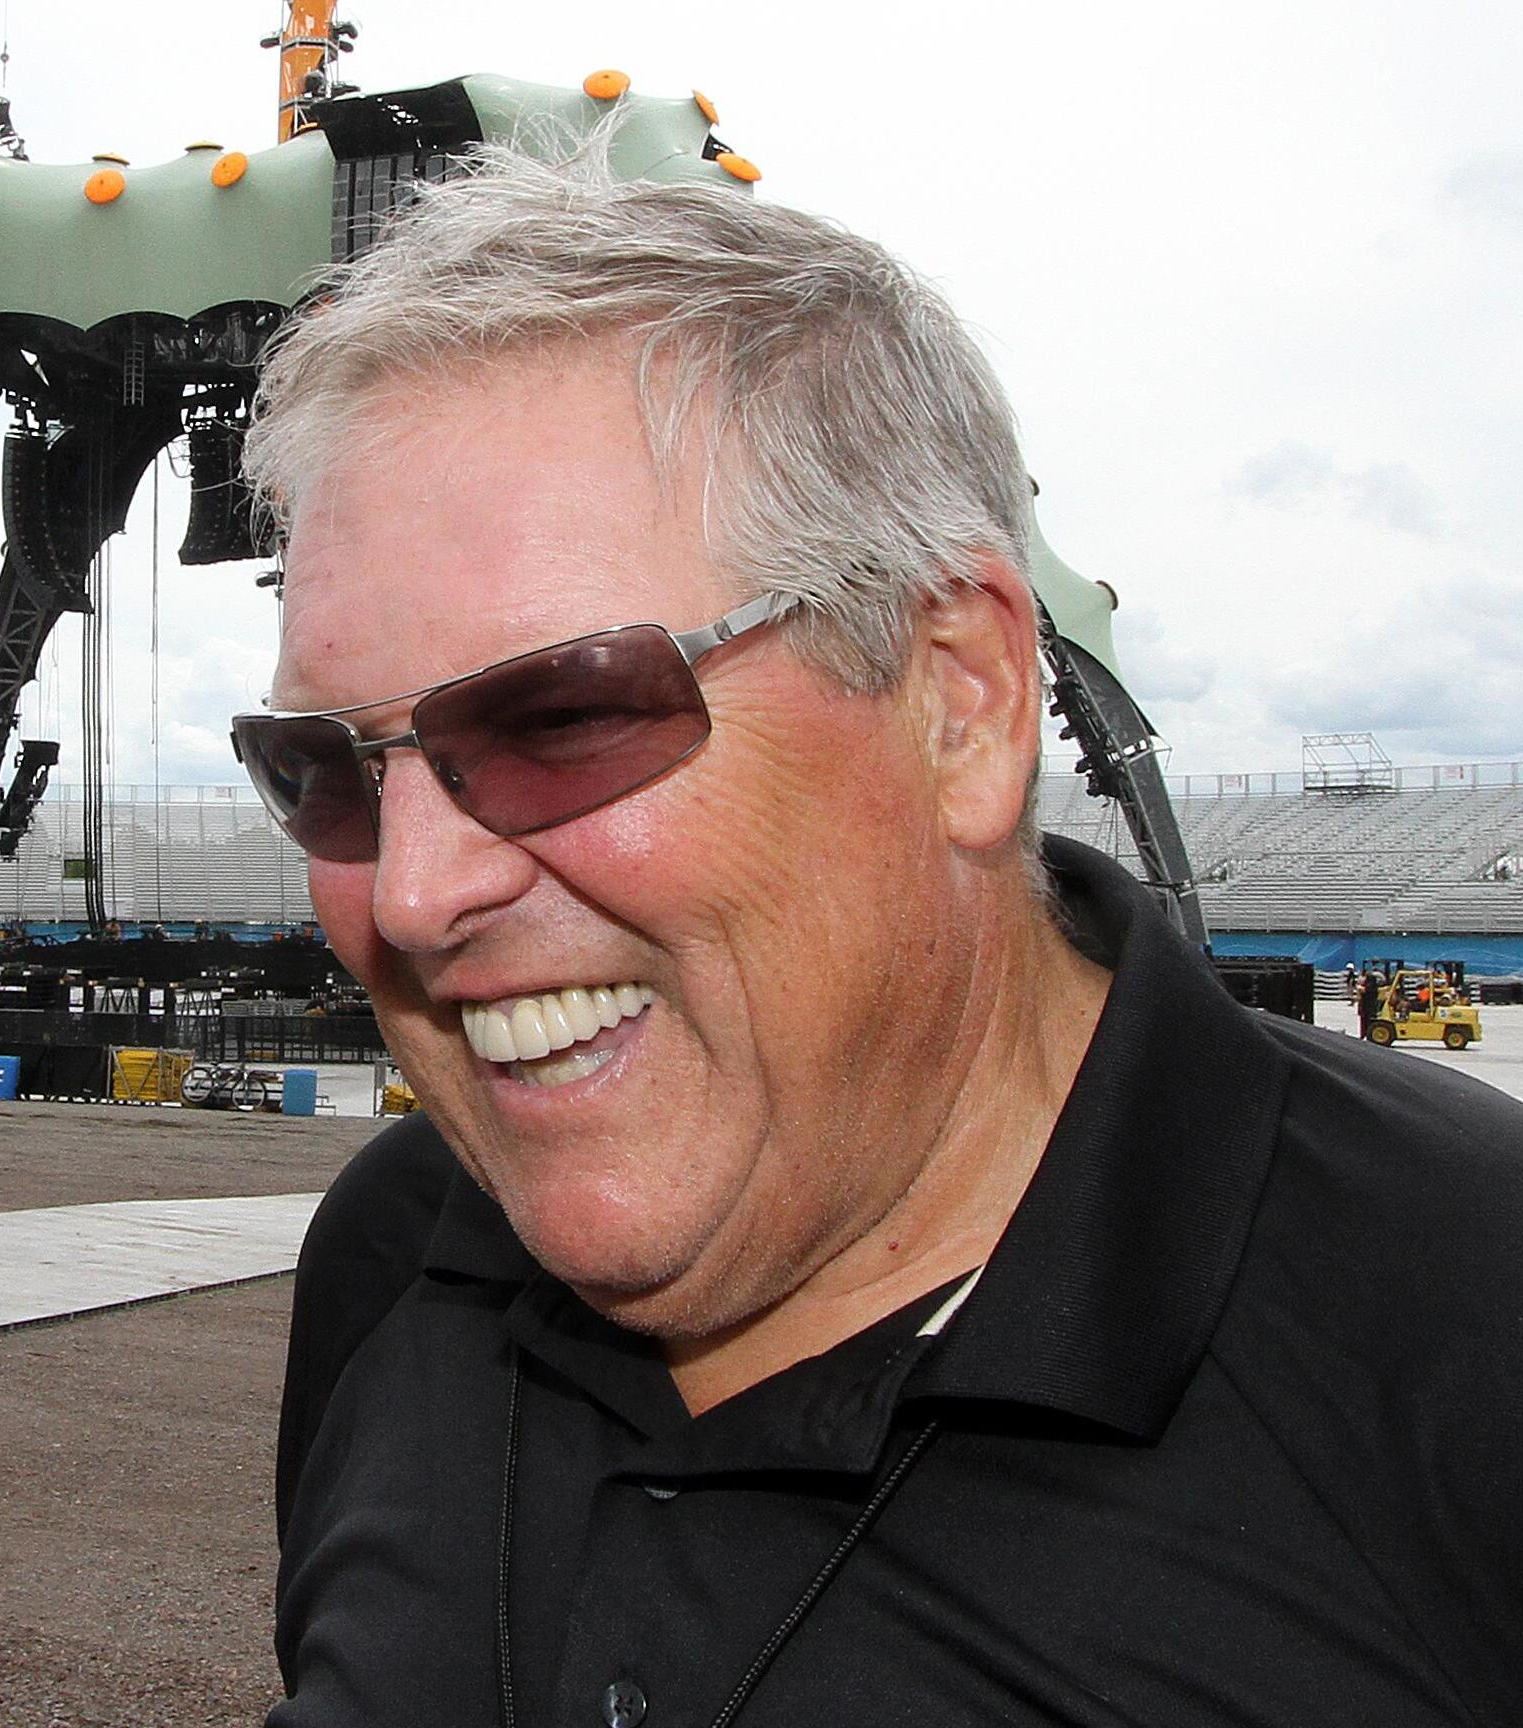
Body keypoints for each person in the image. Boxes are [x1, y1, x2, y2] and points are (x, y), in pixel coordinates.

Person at [235, 148, 1523, 1724]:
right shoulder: (397, 1251)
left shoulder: (1471, 1338)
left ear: (958, 698)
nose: (417, 894)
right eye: (319, 770)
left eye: (558, 715)